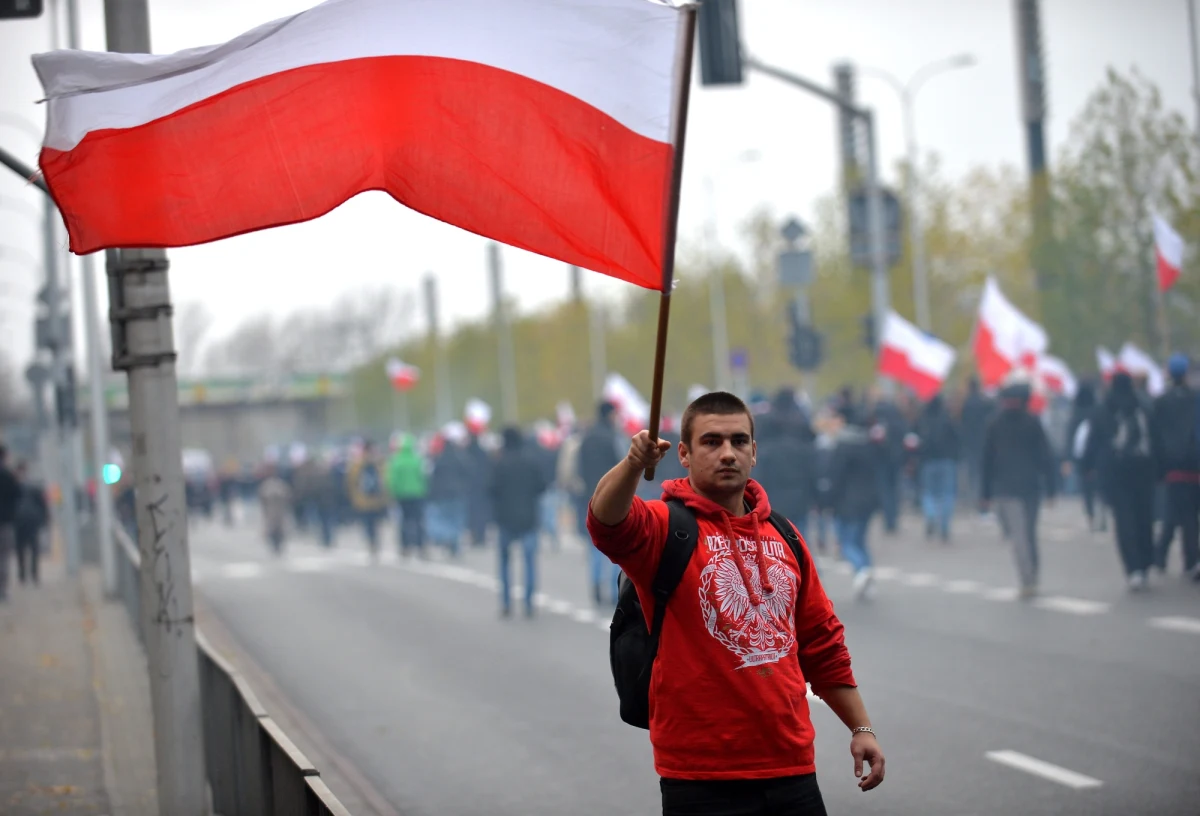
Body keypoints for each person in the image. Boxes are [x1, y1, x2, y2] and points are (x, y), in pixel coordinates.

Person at [588, 391, 884, 815]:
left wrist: (862, 728)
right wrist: (634, 464)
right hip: (701, 781)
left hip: (792, 771)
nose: (727, 453)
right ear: (685, 454)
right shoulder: (663, 528)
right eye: (711, 442)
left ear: (754, 451)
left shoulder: (786, 535)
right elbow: (605, 521)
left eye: (738, 441)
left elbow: (822, 643)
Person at [982, 375, 1057, 598]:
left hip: (1018, 488)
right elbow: (987, 459)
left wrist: (985, 493)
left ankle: (1029, 577)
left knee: (1023, 535)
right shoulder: (999, 424)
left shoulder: (1022, 423)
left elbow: (1045, 456)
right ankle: (1030, 575)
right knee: (1022, 533)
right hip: (1016, 488)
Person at [489, 428, 547, 618]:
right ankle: (529, 602)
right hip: (528, 518)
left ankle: (506, 602)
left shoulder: (499, 463)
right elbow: (542, 486)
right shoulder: (531, 462)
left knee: (505, 562)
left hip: (505, 519)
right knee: (529, 561)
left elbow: (491, 490)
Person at [1151, 354, 1200, 581]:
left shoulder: (1161, 402)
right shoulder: (1195, 399)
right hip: (1195, 465)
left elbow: (1156, 437)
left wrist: (1158, 468)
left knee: (1174, 512)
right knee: (1189, 515)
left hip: (1172, 467)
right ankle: (1188, 560)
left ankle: (1164, 557)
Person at [828, 404, 880, 599]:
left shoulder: (842, 447)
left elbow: (835, 477)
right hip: (868, 501)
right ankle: (867, 578)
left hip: (846, 503)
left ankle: (861, 570)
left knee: (846, 542)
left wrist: (828, 500)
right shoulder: (869, 445)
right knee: (861, 541)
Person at [577, 401, 622, 605]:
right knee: (614, 546)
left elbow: (580, 467)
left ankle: (595, 585)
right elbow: (621, 467)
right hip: (612, 498)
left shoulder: (586, 439)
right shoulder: (611, 437)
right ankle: (614, 590)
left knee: (594, 544)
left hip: (591, 497)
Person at [915, 394, 960, 542]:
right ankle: (944, 525)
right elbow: (957, 438)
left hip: (928, 461)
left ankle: (931, 515)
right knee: (947, 493)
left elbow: (915, 440)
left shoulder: (922, 420)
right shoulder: (947, 419)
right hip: (947, 460)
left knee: (929, 493)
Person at [1067, 382, 1105, 532]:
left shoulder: (1075, 414)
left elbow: (1070, 438)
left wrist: (1068, 457)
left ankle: (1091, 516)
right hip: (1098, 456)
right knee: (1100, 488)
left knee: (1087, 489)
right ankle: (1101, 515)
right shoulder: (1099, 412)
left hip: (1081, 458)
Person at [346, 441, 390, 558]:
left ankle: (372, 544)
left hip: (365, 501)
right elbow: (385, 481)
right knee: (374, 524)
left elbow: (351, 483)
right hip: (375, 500)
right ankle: (374, 543)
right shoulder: (379, 464)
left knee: (368, 524)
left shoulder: (358, 465)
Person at [387, 434, 429, 558]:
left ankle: (405, 547)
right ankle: (421, 546)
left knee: (404, 522)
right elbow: (423, 477)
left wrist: (393, 493)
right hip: (417, 494)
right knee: (419, 521)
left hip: (402, 495)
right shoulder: (418, 459)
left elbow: (392, 480)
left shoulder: (396, 460)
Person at [13, 462, 49, 586]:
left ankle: (30, 575)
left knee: (29, 549)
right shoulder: (28, 487)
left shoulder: (31, 487)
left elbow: (42, 504)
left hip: (26, 522)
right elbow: (42, 504)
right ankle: (27, 575)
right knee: (24, 550)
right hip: (23, 522)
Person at [0, 446, 21, 600]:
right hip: (4, 522)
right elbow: (18, 494)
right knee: (4, 557)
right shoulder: (8, 475)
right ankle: (2, 590)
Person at [258, 465, 292, 555]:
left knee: (279, 529)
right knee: (273, 529)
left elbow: (287, 497)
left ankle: (278, 545)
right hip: (272, 511)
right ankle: (275, 544)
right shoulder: (268, 485)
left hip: (278, 511)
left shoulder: (279, 485)